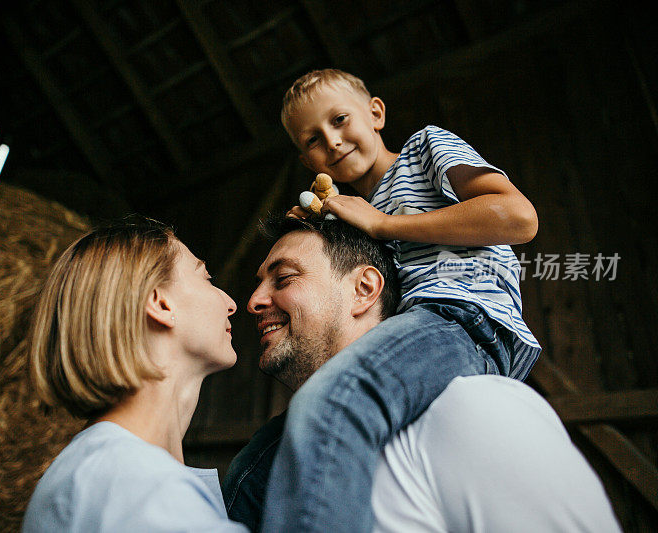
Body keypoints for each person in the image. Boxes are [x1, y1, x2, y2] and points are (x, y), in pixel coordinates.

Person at [253, 68, 543, 531]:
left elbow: (518, 217)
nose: (331, 139)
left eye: (341, 119)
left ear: (376, 113)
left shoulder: (424, 151)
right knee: (258, 461)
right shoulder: (348, 212)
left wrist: (384, 225)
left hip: (462, 318)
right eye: (312, 139)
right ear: (308, 162)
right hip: (414, 331)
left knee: (337, 400)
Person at [224, 216, 620, 532]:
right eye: (259, 283)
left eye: (285, 278)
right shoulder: (262, 468)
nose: (254, 301)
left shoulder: (474, 410)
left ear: (364, 289)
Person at [22, 217, 247, 532]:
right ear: (160, 302)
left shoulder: (110, 471)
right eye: (206, 278)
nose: (231, 303)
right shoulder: (138, 485)